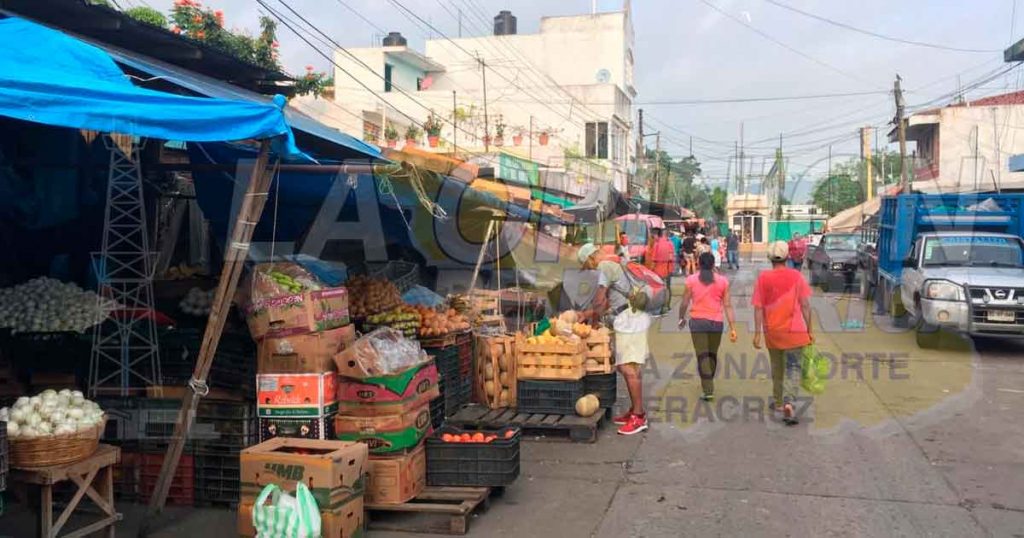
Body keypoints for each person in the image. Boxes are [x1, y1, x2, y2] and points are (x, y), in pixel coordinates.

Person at [752, 241, 814, 425]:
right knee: (793, 368)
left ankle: (779, 402)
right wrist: (810, 330)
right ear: (788, 257)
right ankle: (789, 403)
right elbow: (805, 305)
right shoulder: (796, 276)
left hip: (773, 333)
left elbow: (758, 308)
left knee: (777, 368)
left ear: (770, 258)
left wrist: (757, 334)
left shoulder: (763, 278)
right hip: (795, 333)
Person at [678, 252, 737, 400]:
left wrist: (681, 317)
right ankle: (708, 380)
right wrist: (732, 327)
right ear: (713, 265)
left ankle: (708, 388)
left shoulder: (691, 280)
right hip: (716, 323)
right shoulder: (722, 281)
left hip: (697, 322)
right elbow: (728, 305)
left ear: (698, 263)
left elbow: (685, 302)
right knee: (712, 354)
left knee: (702, 355)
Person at [612, 291, 652, 435]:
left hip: (630, 321)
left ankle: (638, 416)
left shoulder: (611, 270)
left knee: (630, 369)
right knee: (629, 369)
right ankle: (636, 409)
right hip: (630, 317)